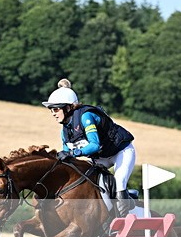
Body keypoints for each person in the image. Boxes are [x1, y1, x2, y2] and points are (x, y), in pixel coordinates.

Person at [42, 79, 136, 217]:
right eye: (51, 110)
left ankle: (122, 219)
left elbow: (94, 145)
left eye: (56, 109)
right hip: (101, 158)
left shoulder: (86, 117)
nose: (53, 113)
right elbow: (68, 153)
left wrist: (74, 153)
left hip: (121, 151)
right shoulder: (65, 131)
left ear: (68, 108)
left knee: (120, 181)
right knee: (87, 180)